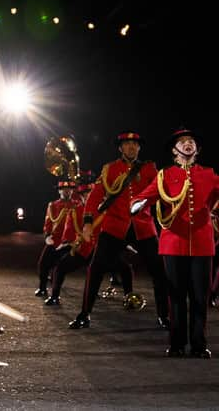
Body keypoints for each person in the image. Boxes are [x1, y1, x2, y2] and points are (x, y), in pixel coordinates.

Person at [131, 129, 219, 357]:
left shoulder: (209, 174)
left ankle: (199, 345)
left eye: (191, 141)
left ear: (196, 149)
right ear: (174, 150)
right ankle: (177, 344)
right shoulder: (165, 175)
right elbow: (142, 197)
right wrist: (138, 205)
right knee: (177, 296)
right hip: (173, 243)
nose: (188, 144)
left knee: (200, 296)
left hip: (201, 244)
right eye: (183, 142)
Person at [69, 131, 169, 330]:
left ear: (139, 148)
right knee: (96, 268)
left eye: (134, 144)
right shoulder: (109, 169)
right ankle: (84, 314)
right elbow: (95, 197)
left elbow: (161, 192)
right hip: (115, 226)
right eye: (127, 144)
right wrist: (88, 223)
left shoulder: (150, 168)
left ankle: (164, 316)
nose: (131, 147)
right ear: (120, 148)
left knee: (159, 270)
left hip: (143, 226)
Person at [36, 180, 77, 297]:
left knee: (60, 268)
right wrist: (47, 236)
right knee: (43, 264)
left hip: (70, 241)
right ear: (59, 191)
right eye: (64, 190)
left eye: (69, 189)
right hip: (56, 240)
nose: (67, 191)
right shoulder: (53, 205)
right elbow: (48, 222)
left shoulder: (76, 205)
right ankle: (42, 288)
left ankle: (55, 292)